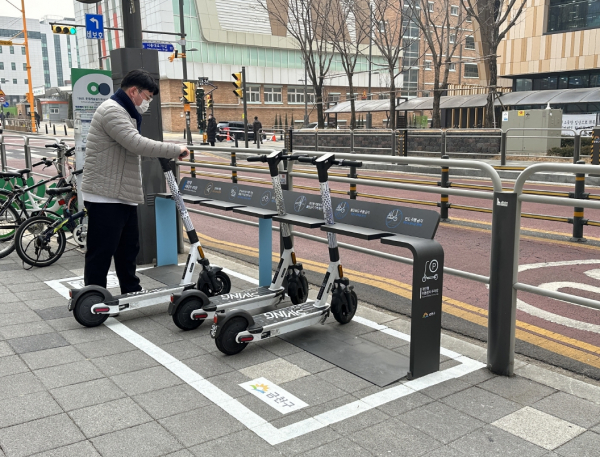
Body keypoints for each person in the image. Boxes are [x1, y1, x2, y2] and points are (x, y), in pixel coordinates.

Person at [81, 69, 189, 294]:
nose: (147, 103)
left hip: (120, 193)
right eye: (147, 97)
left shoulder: (124, 112)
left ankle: (131, 290)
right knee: (101, 251)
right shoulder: (112, 111)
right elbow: (136, 143)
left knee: (128, 249)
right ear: (133, 91)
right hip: (105, 195)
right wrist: (174, 149)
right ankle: (92, 297)